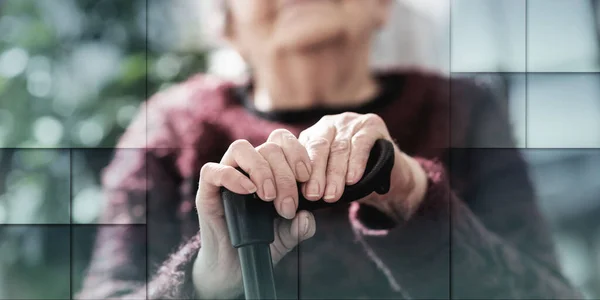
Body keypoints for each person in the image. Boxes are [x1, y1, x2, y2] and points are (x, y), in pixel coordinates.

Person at [77, 0, 582, 299]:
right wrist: (205, 283)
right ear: (224, 24)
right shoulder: (171, 126)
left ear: (383, 5)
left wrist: (412, 192)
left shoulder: (462, 108)